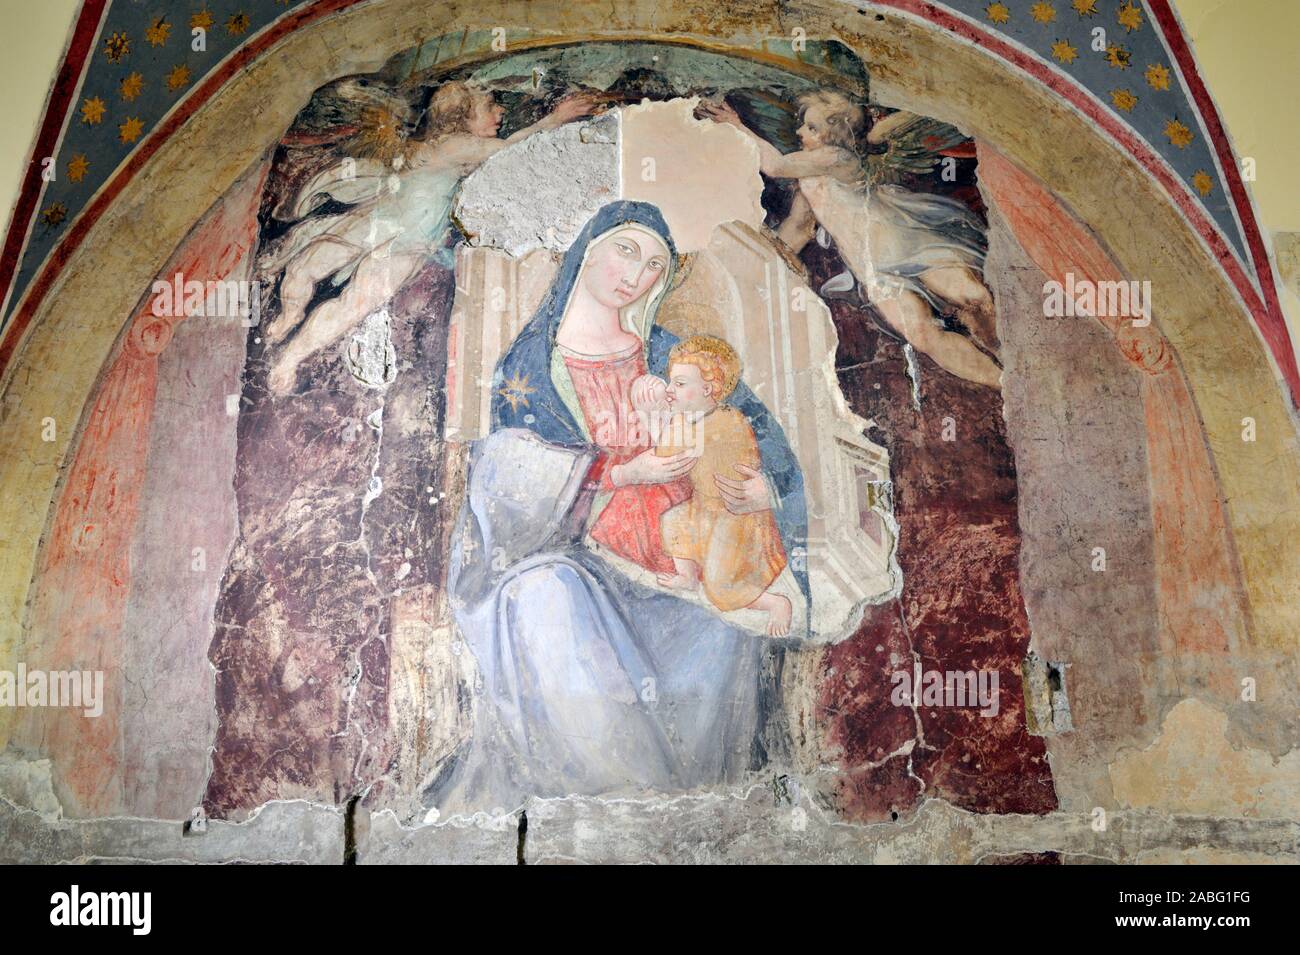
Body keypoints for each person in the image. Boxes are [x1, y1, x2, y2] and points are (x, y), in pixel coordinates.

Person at [427, 201, 808, 812]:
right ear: (588, 249)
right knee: (549, 595)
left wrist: (774, 490)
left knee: (725, 627)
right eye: (626, 250)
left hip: (667, 551)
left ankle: (694, 806)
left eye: (656, 264)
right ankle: (608, 799)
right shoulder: (531, 366)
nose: (638, 273)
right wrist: (623, 470)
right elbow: (503, 478)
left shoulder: (670, 355)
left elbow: (755, 431)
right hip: (564, 551)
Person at [260, 80, 598, 393]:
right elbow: (510, 147)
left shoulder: (456, 150)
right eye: (491, 104)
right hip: (384, 221)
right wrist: (555, 118)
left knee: (343, 297)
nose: (501, 112)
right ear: (461, 114)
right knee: (309, 269)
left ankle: (290, 355)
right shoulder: (454, 145)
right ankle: (289, 320)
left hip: (408, 240)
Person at [699, 90, 1002, 389]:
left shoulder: (840, 158)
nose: (800, 131)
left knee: (972, 298)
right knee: (923, 335)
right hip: (873, 270)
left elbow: (775, 167)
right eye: (804, 124)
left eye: (812, 127)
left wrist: (736, 125)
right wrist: (761, 266)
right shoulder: (810, 178)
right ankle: (1002, 383)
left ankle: (1007, 353)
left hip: (907, 244)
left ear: (836, 136)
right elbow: (800, 227)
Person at [639, 335, 793, 636]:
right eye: (671, 383)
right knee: (672, 521)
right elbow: (664, 456)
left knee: (720, 589)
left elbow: (684, 453)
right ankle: (686, 576)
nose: (670, 391)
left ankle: (776, 603)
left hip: (736, 516)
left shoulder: (729, 422)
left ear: (708, 389)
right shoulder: (685, 420)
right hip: (703, 506)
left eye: (679, 384)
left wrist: (658, 418)